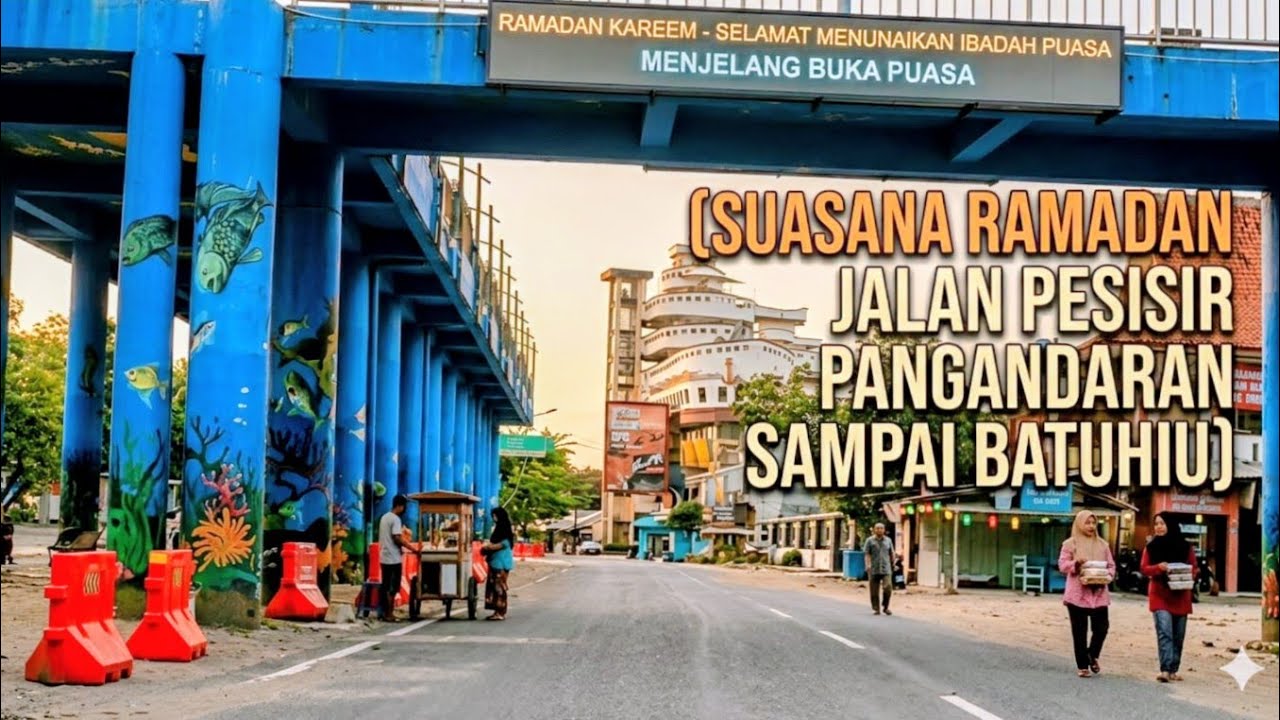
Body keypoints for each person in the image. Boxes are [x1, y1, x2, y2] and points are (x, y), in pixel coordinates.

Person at [1140, 511, 1198, 682]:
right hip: (1159, 595)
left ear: (1170, 525)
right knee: (1165, 632)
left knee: (1178, 635)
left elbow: (1194, 567)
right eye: (1156, 524)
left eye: (1162, 523)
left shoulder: (1186, 547)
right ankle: (1165, 669)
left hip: (1181, 595)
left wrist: (1183, 574)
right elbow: (1144, 568)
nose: (1158, 527)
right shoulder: (1151, 547)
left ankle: (1173, 670)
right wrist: (1158, 567)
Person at [1058, 509, 1116, 678]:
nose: (1091, 526)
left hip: (1099, 593)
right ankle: (1083, 665)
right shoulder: (1070, 544)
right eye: (1087, 523)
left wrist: (1107, 576)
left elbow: (1111, 566)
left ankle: (1092, 654)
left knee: (1102, 628)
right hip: (1077, 595)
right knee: (1079, 631)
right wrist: (1076, 564)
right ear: (1079, 524)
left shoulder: (1103, 545)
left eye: (1093, 523)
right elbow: (1062, 565)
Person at [377, 494, 411, 622]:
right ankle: (389, 614)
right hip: (394, 558)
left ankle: (384, 613)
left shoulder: (384, 517)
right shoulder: (396, 519)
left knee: (385, 585)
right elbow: (397, 537)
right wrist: (409, 547)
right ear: (400, 506)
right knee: (393, 587)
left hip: (384, 556)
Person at [482, 506, 515, 621]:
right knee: (496, 587)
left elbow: (502, 545)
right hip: (498, 562)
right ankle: (497, 611)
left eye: (495, 516)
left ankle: (500, 612)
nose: (494, 518)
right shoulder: (502, 529)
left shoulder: (503, 530)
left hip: (500, 563)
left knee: (498, 588)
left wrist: (487, 548)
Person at [863, 522, 895, 616]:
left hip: (886, 568)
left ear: (884, 530)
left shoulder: (888, 540)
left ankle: (886, 607)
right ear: (874, 529)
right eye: (877, 528)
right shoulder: (869, 540)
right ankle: (876, 608)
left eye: (881, 528)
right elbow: (867, 554)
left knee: (888, 587)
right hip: (874, 568)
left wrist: (893, 563)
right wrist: (868, 565)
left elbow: (891, 552)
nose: (879, 530)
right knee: (874, 590)